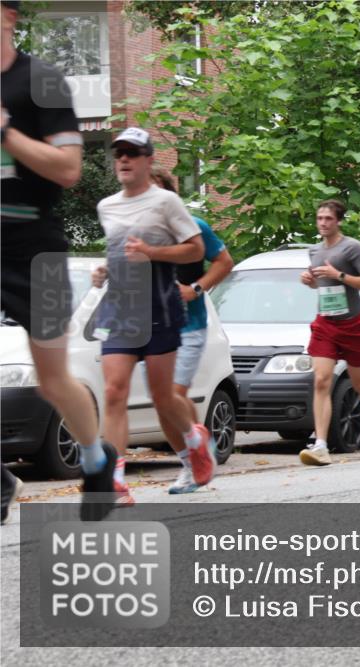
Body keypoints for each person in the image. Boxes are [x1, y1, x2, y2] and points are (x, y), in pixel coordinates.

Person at [1, 0, 114, 522]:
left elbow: (69, 169)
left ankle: (95, 460)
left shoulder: (40, 81)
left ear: (9, 16)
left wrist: (7, 134)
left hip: (36, 247)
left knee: (51, 380)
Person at [92, 128, 214, 505]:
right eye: (119, 154)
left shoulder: (166, 203)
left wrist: (152, 252)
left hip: (159, 308)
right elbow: (122, 254)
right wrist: (106, 270)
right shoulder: (106, 206)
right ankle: (115, 482)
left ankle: (195, 439)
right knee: (114, 392)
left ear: (148, 160)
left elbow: (194, 252)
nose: (124, 160)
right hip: (121, 310)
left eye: (132, 153)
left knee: (163, 398)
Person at [150, 166, 234, 493]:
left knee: (172, 395)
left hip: (190, 325)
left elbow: (224, 262)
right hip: (154, 326)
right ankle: (190, 460)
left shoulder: (194, 228)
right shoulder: (141, 234)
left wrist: (196, 289)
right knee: (162, 404)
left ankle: (197, 444)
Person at [298, 200, 360, 465]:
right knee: (321, 380)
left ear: (338, 221)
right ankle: (320, 445)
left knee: (359, 382)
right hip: (325, 324)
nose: (323, 223)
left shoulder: (352, 248)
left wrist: (339, 275)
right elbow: (321, 284)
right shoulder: (314, 251)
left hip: (352, 324)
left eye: (328, 218)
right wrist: (310, 281)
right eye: (319, 218)